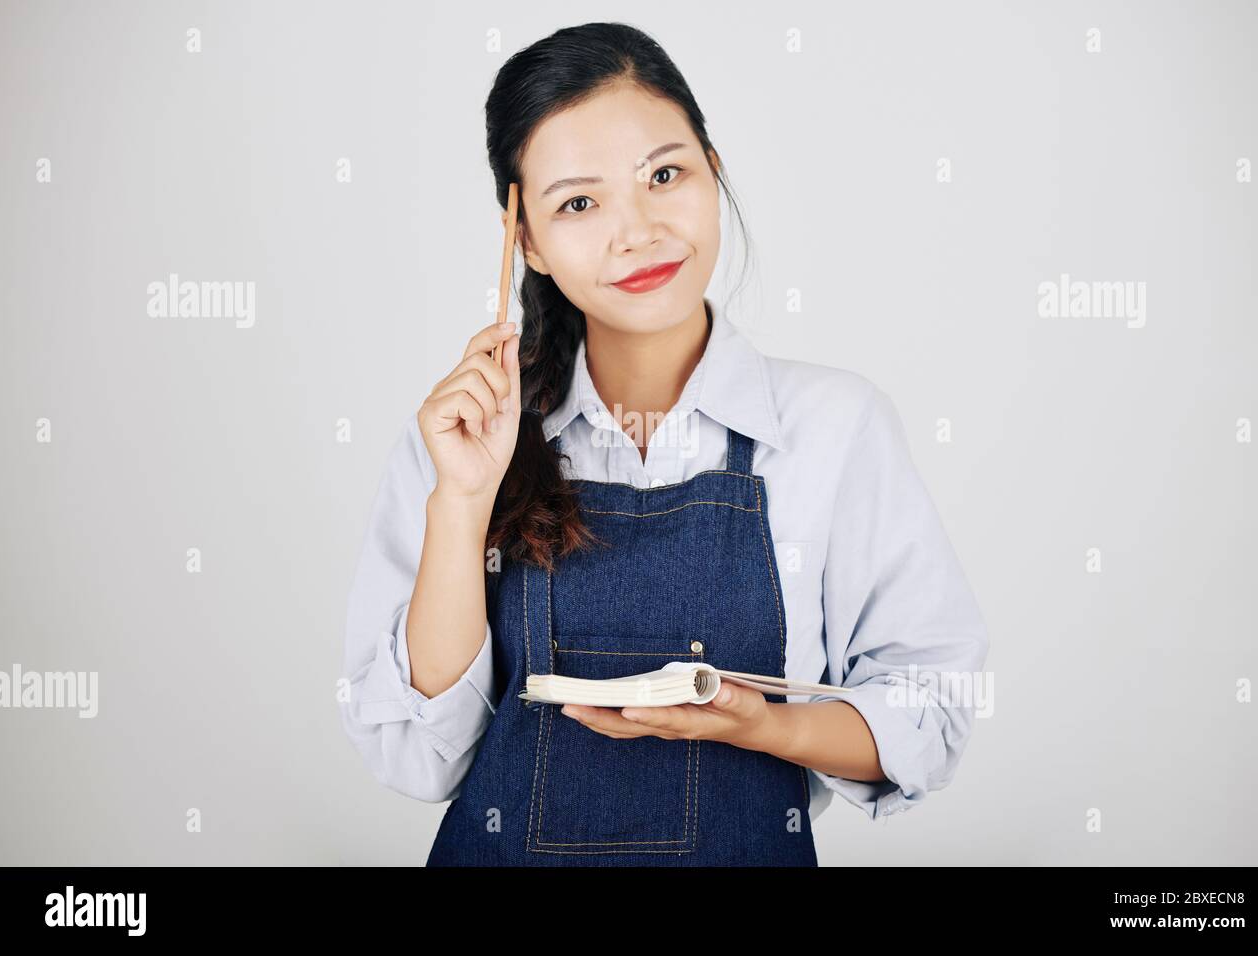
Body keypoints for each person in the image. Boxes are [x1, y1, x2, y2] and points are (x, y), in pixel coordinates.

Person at [339, 22, 989, 866]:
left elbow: (931, 710)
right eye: (579, 202)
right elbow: (419, 755)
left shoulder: (837, 426)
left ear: (713, 172)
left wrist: (765, 725)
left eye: (664, 175)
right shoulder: (463, 438)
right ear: (524, 238)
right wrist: (462, 502)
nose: (637, 230)